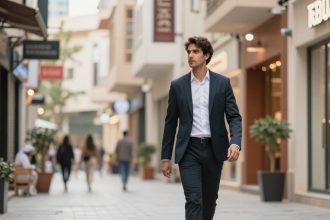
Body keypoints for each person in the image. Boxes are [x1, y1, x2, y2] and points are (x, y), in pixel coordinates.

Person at [161, 36, 242, 220]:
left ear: (206, 55)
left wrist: (235, 143)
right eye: (188, 52)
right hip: (189, 149)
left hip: (214, 149)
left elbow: (234, 117)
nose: (190, 55)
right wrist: (166, 156)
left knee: (209, 200)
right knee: (194, 199)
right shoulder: (178, 86)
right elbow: (170, 123)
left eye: (195, 51)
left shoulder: (222, 83)